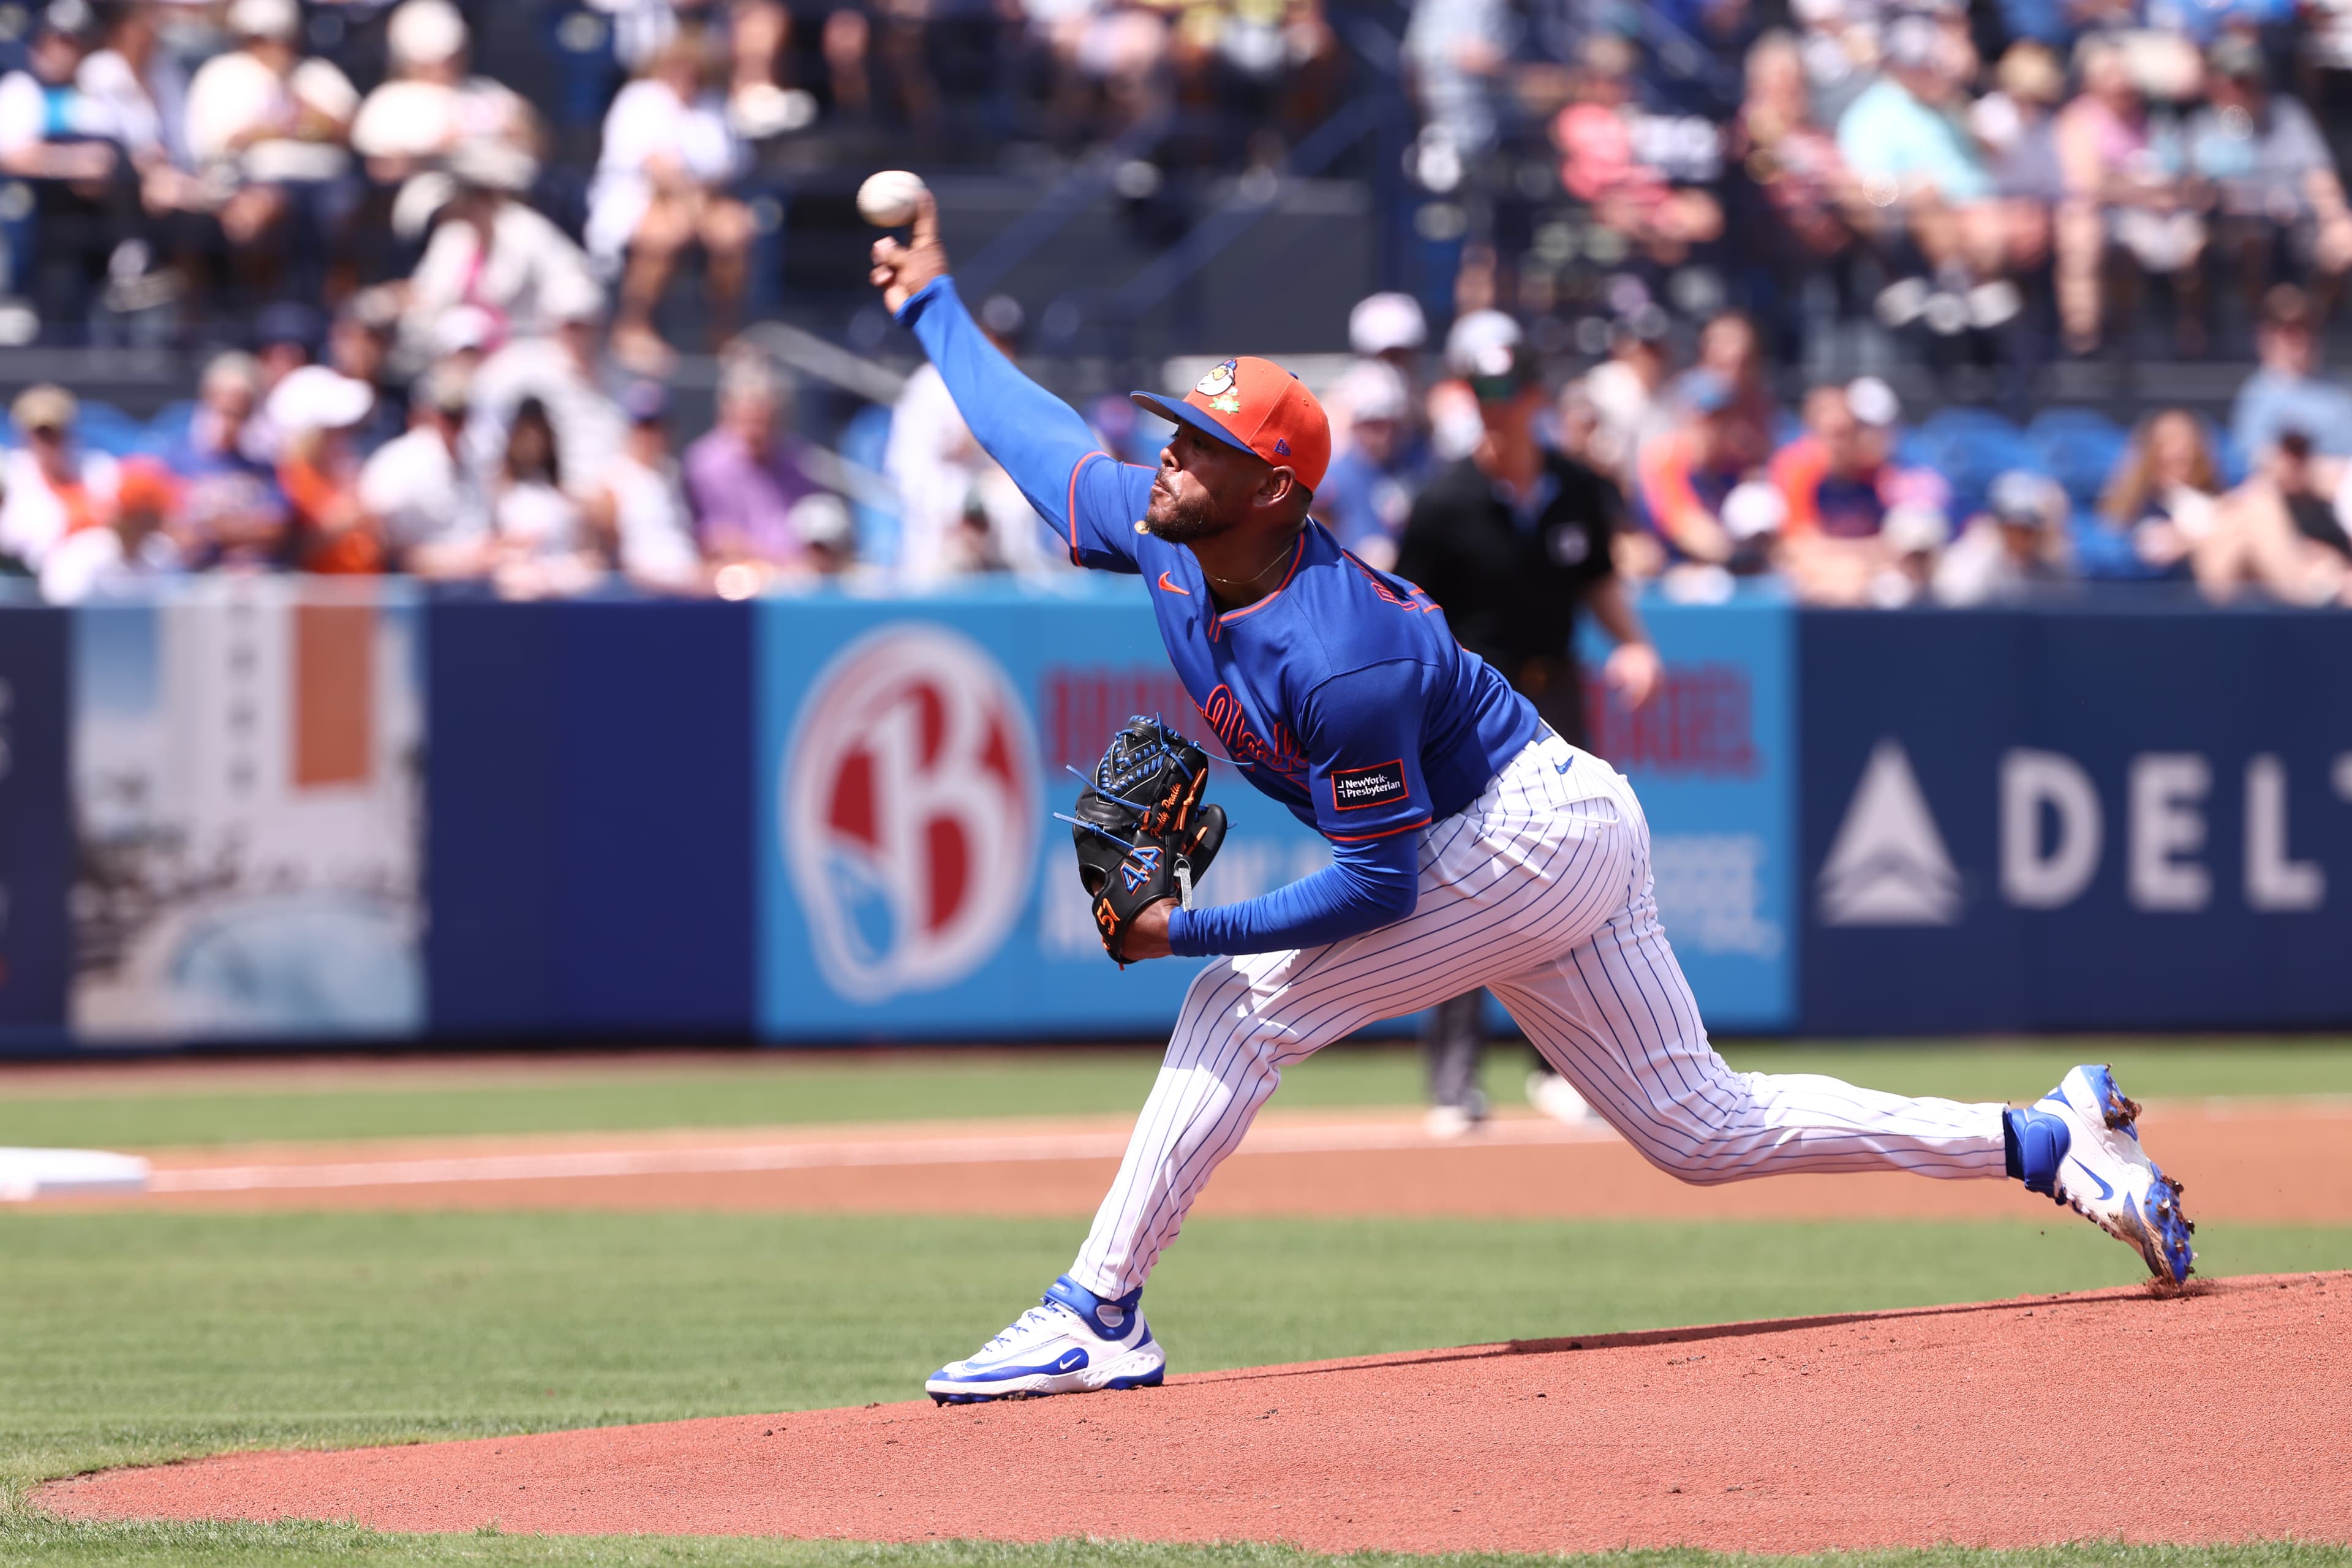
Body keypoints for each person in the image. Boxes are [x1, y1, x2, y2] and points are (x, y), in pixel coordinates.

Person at [867, 190, 2198, 1406]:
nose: (1164, 458)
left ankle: (1098, 1309)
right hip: (1554, 818)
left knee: (1236, 1003)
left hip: (1518, 832)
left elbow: (1380, 885)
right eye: (1172, 432)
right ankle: (2044, 1136)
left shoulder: (1345, 654)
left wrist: (1185, 932)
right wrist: (933, 301)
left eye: (1200, 445)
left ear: (1274, 486)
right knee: (1701, 1128)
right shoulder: (1167, 541)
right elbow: (1040, 444)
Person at [1393, 338, 1662, 1139]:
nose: (1495, 401)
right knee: (1458, 886)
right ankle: (1455, 1078)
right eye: (1482, 387)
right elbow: (1408, 610)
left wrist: (1635, 642)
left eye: (1507, 386)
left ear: (1534, 393)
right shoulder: (1443, 499)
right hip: (1471, 710)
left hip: (1557, 697)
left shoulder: (1575, 487)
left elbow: (1599, 580)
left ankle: (1561, 1069)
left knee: (1567, 878)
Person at [587, 30, 753, 371]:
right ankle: (633, 327)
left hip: (702, 201)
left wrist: (697, 202)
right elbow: (655, 165)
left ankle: (723, 331)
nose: (686, 77)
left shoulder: (712, 105)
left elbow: (728, 163)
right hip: (634, 199)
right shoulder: (640, 99)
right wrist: (690, 200)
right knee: (665, 231)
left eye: (693, 69)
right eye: (678, 67)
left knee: (737, 229)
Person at [683, 351, 831, 572]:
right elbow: (714, 540)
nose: (757, 432)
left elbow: (816, 532)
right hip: (733, 584)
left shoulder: (799, 461)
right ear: (728, 414)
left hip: (796, 583)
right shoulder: (705, 463)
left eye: (766, 421)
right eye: (749, 421)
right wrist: (778, 564)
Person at [2085, 409, 2222, 580]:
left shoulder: (2218, 506)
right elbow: (2148, 551)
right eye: (2167, 462)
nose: (2180, 472)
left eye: (2187, 462)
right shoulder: (2128, 514)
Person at [0, 383, 118, 576]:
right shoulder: (10, 474)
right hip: (31, 582)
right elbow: (13, 539)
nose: (48, 443)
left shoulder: (99, 467)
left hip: (102, 578)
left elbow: (120, 529)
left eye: (56, 433)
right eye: (41, 434)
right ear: (24, 436)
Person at [2230, 284, 2352, 461]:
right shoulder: (2258, 395)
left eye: (2308, 327)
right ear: (2267, 335)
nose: (2300, 338)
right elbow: (2254, 461)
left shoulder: (2340, 388)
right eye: (2289, 329)